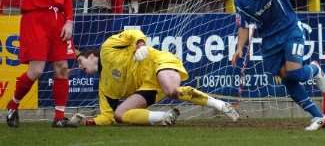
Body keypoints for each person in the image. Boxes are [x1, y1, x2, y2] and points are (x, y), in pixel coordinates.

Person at [231, 0, 325, 131]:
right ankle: (319, 117)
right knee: (287, 78)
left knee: (295, 73)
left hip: (290, 30)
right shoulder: (241, 0)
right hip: (269, 40)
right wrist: (239, 47)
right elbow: (243, 25)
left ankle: (316, 69)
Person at [72, 29, 239, 126]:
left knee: (172, 91)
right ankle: (165, 116)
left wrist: (140, 46)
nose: (80, 67)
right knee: (119, 114)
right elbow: (107, 117)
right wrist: (88, 121)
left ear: (91, 55)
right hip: (148, 85)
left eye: (80, 61)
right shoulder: (104, 86)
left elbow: (133, 32)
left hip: (157, 62)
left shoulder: (107, 48)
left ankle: (221, 105)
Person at [2, 0, 75, 128]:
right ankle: (13, 105)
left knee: (62, 68)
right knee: (36, 70)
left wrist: (69, 20)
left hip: (58, 20)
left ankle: (59, 118)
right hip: (35, 19)